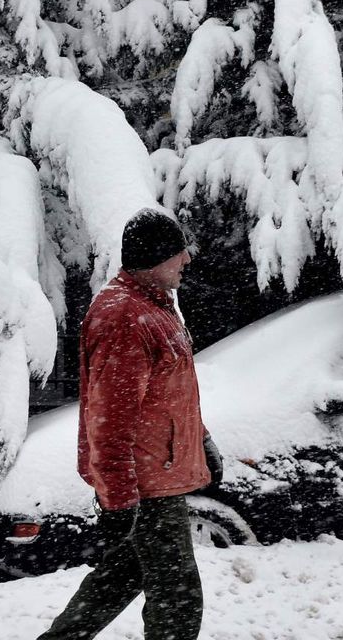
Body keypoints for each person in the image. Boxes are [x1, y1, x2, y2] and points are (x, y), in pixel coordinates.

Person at [38, 209, 208, 640]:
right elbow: (108, 419)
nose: (187, 259)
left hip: (155, 473)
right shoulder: (126, 317)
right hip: (144, 482)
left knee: (119, 578)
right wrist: (119, 499)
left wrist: (203, 442)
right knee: (178, 596)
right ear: (154, 258)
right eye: (177, 253)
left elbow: (171, 395)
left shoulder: (154, 306)